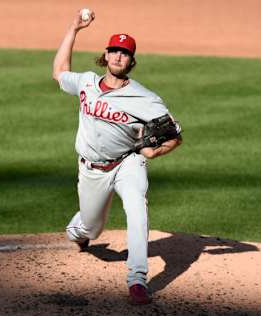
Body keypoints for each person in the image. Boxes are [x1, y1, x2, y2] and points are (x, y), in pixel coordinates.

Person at [52, 10, 182, 305]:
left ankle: (137, 280)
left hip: (127, 162)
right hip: (92, 170)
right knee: (89, 227)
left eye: (125, 53)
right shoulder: (86, 82)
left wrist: (155, 150)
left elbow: (175, 134)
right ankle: (80, 232)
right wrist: (73, 29)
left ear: (131, 61)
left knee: (137, 205)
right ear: (106, 54)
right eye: (114, 51)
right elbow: (59, 71)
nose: (118, 57)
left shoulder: (146, 99)